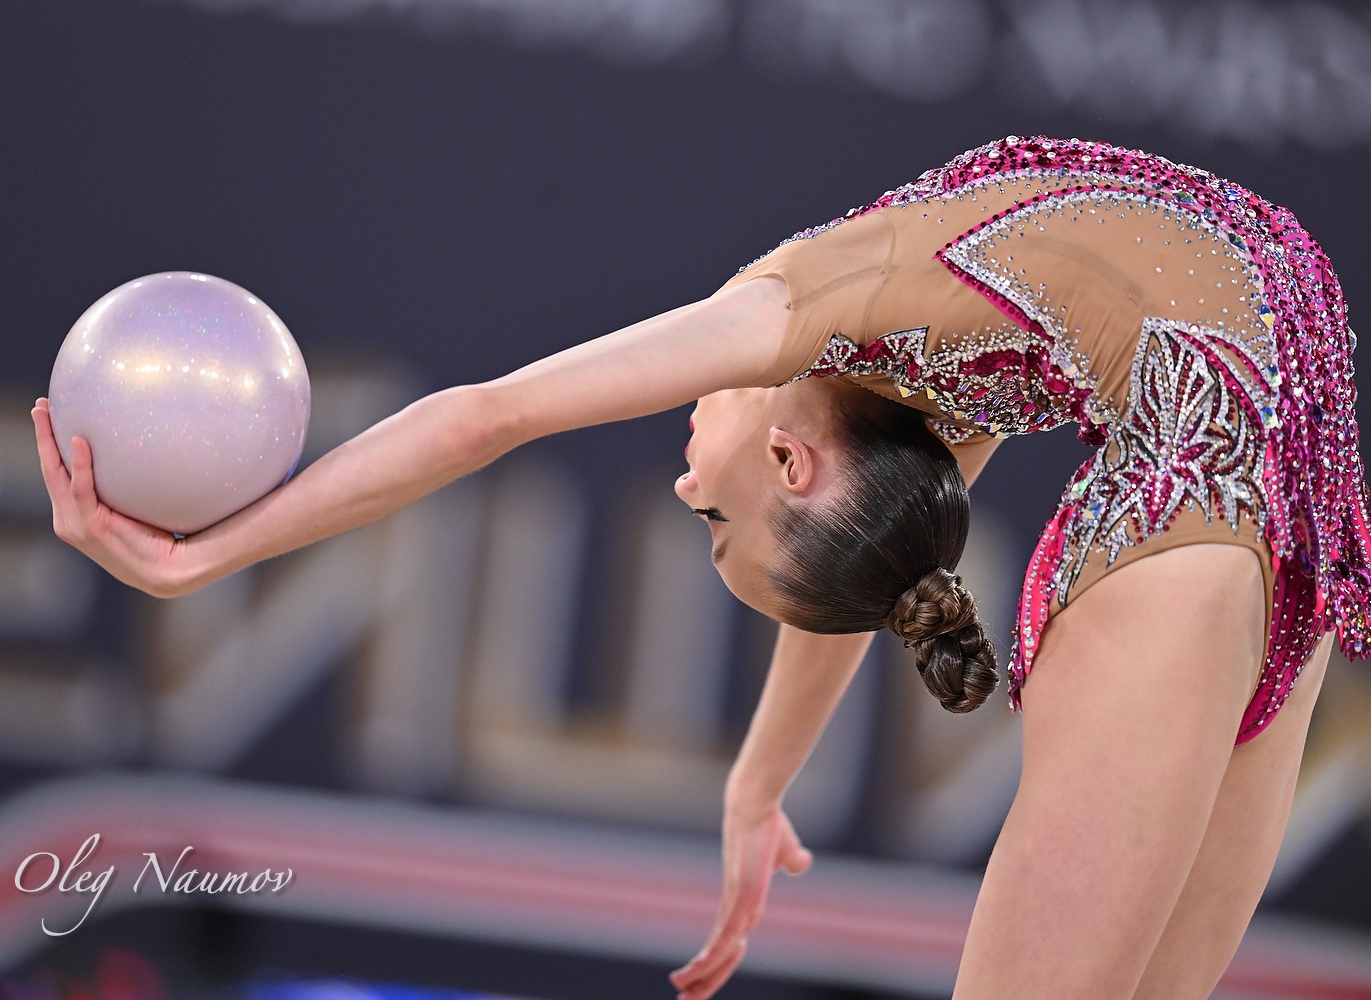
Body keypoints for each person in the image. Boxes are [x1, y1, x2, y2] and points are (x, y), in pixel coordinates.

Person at [32, 135, 1370, 1000]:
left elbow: (488, 414)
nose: (683, 485)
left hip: (1242, 447)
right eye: (708, 520)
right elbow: (867, 553)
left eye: (703, 523)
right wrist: (757, 784)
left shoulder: (791, 317)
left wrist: (210, 557)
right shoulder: (928, 395)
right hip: (1290, 446)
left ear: (794, 459)